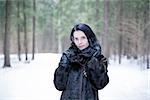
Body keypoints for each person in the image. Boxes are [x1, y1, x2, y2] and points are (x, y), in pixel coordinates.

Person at [54, 23, 109, 100]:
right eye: (76, 39)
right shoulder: (68, 56)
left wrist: (92, 62)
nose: (79, 42)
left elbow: (100, 84)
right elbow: (59, 85)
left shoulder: (98, 58)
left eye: (83, 38)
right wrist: (63, 66)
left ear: (89, 38)